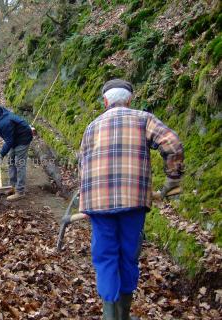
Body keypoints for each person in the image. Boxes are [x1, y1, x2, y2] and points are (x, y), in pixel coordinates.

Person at [77, 79, 184, 320]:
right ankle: (123, 316)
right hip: (133, 200)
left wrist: (86, 200)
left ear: (105, 102)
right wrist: (172, 181)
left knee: (104, 257)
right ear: (129, 99)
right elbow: (172, 144)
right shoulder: (143, 118)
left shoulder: (92, 126)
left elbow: (82, 164)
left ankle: (110, 316)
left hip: (98, 202)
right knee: (128, 255)